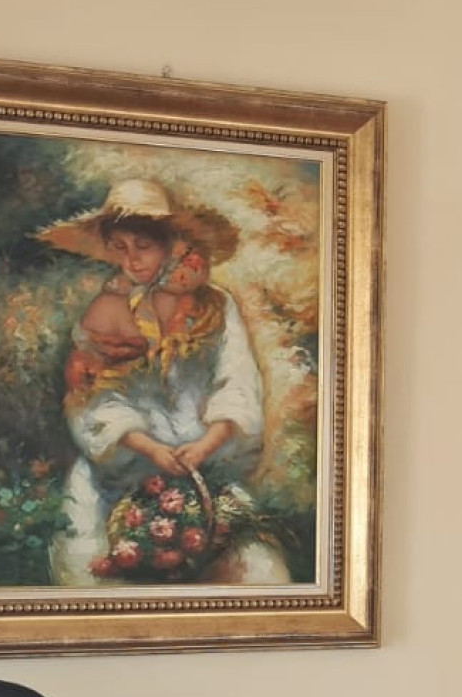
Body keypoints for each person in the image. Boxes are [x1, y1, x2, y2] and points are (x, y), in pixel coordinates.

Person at [38, 179, 287, 585]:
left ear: (171, 245)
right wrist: (150, 448)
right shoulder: (106, 311)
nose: (132, 260)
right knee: (96, 577)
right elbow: (91, 400)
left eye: (143, 246)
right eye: (120, 247)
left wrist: (206, 445)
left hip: (204, 469)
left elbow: (237, 381)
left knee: (255, 573)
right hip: (118, 474)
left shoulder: (216, 306)